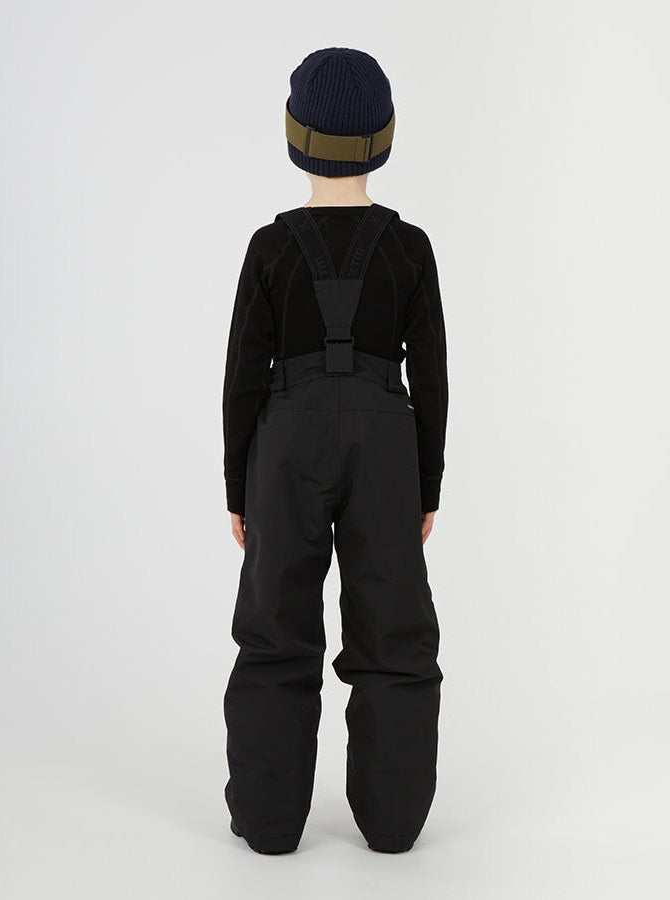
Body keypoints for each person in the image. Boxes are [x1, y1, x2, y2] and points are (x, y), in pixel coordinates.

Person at [222, 46, 449, 855]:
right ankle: (392, 824)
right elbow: (431, 375)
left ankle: (269, 824)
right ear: (383, 138)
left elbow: (243, 376)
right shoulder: (409, 247)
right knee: (393, 631)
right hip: (386, 443)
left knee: (275, 630)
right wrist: (425, 484)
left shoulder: (270, 246)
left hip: (286, 440)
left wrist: (238, 487)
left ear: (295, 137)